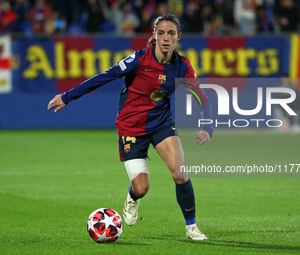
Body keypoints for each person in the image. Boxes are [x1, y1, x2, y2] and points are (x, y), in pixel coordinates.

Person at [47, 13, 213, 240]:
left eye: (171, 33)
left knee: (180, 173)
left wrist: (207, 124)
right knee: (142, 187)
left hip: (161, 123)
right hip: (131, 126)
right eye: (161, 33)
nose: (166, 38)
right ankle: (132, 196)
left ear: (178, 37)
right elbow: (103, 77)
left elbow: (199, 95)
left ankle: (191, 226)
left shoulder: (182, 66)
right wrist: (67, 96)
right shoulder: (139, 60)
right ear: (154, 35)